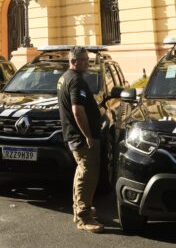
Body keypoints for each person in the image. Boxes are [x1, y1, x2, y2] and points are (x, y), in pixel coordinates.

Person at [57, 46, 103, 233]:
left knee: (82, 172)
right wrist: (88, 136)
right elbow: (77, 110)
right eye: (83, 60)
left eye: (87, 59)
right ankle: (83, 216)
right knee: (87, 173)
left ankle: (82, 207)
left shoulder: (65, 77)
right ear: (73, 61)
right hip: (81, 137)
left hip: (75, 135)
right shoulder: (75, 80)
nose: (87, 62)